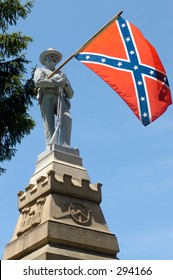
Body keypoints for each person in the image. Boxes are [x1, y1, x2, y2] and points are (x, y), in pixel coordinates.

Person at [34, 48, 74, 148]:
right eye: (52, 56)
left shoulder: (61, 74)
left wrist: (64, 84)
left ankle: (65, 145)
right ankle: (51, 146)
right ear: (45, 59)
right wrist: (55, 82)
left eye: (56, 57)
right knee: (49, 122)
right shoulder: (40, 70)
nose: (54, 59)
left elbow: (70, 94)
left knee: (67, 118)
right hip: (47, 96)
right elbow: (38, 82)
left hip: (60, 97)